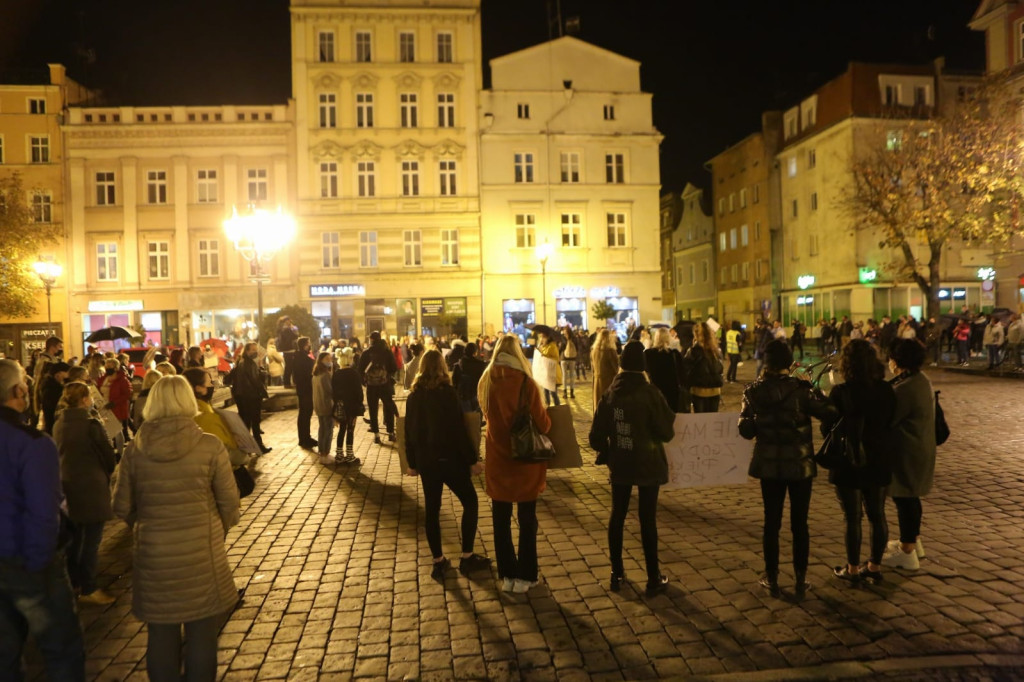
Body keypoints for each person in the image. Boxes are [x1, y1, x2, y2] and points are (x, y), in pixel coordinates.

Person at [112, 375, 240, 682]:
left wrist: (146, 524)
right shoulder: (209, 446)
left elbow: (121, 506)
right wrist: (215, 527)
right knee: (202, 632)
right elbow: (230, 503)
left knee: (160, 632)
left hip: (154, 556)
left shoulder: (134, 451)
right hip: (201, 552)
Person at [0, 360, 86, 681]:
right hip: (27, 559)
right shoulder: (33, 444)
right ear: (19, 391)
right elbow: (43, 512)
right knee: (61, 650)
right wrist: (39, 565)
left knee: (5, 655)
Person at [738, 340, 832, 598]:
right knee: (800, 523)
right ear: (789, 363)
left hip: (769, 467)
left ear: (766, 363)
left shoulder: (753, 391)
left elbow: (745, 431)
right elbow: (829, 412)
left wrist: (757, 418)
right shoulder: (801, 391)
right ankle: (800, 579)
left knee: (772, 522)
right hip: (800, 465)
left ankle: (772, 577)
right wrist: (815, 389)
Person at [589, 341, 676, 597]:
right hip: (649, 462)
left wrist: (609, 449)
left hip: (621, 462)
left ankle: (616, 573)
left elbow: (595, 437)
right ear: (643, 366)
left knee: (618, 515)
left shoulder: (610, 394)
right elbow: (667, 432)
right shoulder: (651, 394)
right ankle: (653, 577)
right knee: (647, 519)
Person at [405, 350, 491, 580]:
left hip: (427, 461)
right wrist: (472, 460)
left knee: (432, 510)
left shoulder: (414, 396)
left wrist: (412, 462)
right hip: (450, 459)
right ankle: (467, 556)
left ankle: (438, 561)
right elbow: (458, 430)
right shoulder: (447, 393)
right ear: (442, 367)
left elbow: (409, 431)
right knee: (470, 502)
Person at [478, 334, 552, 593]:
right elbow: (543, 424)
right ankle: (526, 576)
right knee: (527, 519)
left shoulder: (486, 381)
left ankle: (507, 575)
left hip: (498, 458)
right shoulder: (525, 382)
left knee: (500, 520)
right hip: (524, 461)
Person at [821, 340, 896, 585]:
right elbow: (892, 422)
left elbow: (827, 429)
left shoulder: (841, 392)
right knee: (877, 514)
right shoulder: (886, 390)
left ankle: (852, 569)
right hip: (879, 458)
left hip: (848, 461)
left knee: (852, 517)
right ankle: (874, 566)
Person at [52, 381, 118, 605]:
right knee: (91, 540)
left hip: (68, 486)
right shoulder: (91, 425)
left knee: (75, 538)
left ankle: (75, 583)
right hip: (91, 487)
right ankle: (89, 587)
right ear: (84, 400)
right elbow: (108, 456)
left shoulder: (59, 424)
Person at [882, 339, 936, 571]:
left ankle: (907, 551)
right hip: (919, 446)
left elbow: (888, 418)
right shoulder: (920, 379)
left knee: (904, 498)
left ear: (897, 361)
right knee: (910, 497)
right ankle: (914, 541)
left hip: (907, 450)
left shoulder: (905, 389)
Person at [357, 331, 398, 444]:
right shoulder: (387, 351)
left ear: (371, 340)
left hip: (371, 386)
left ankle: (376, 435)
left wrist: (364, 381)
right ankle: (391, 433)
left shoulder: (366, 353)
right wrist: (387, 376)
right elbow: (394, 367)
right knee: (388, 408)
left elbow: (360, 369)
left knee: (373, 409)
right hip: (385, 384)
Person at [230, 342, 271, 454]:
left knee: (246, 422)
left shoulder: (242, 362)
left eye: (256, 349)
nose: (255, 352)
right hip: (252, 396)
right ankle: (258, 446)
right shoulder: (249, 364)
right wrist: (262, 371)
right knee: (255, 422)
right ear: (247, 351)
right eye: (253, 350)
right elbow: (256, 380)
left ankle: (247, 447)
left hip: (243, 396)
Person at [681, 322, 724, 413]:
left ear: (696, 335)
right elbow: (720, 369)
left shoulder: (693, 351)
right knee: (713, 418)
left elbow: (685, 370)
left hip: (699, 391)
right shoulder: (716, 351)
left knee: (701, 419)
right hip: (715, 390)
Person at [331, 348, 363, 464]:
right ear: (349, 359)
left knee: (342, 429)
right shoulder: (353, 374)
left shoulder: (336, 374)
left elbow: (333, 392)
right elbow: (358, 392)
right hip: (352, 406)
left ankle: (339, 455)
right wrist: (360, 404)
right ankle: (350, 455)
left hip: (340, 406)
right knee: (350, 429)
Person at [643, 327, 683, 412]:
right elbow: (681, 373)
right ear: (668, 338)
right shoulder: (674, 354)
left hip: (655, 391)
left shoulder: (648, 354)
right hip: (672, 392)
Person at [98, 357, 132, 442]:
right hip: (104, 406)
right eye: (106, 366)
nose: (107, 368)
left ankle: (119, 446)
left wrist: (114, 403)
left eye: (110, 366)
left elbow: (127, 394)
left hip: (117, 407)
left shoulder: (122, 380)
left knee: (117, 431)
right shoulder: (103, 379)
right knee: (107, 431)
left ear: (116, 368)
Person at [452, 342, 486, 414]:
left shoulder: (458, 366)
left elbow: (454, 382)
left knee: (467, 417)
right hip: (477, 394)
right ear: (475, 352)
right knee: (477, 416)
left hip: (463, 395)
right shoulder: (481, 365)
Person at [591, 329, 620, 413]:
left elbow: (592, 367)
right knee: (608, 404)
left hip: (597, 381)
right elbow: (616, 368)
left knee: (598, 402)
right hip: (608, 381)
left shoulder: (594, 350)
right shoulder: (610, 351)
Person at [312, 352, 335, 459]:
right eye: (327, 359)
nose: (329, 361)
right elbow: (330, 391)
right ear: (321, 360)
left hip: (318, 405)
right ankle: (325, 452)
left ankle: (321, 450)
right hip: (326, 406)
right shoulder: (325, 375)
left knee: (322, 428)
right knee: (328, 429)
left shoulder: (315, 374)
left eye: (330, 359)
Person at [39, 361, 70, 434]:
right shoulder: (52, 388)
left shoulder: (50, 385)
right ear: (58, 374)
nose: (67, 376)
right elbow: (53, 406)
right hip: (53, 424)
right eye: (66, 373)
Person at [533, 331, 562, 407]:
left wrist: (541, 352)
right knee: (545, 392)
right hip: (546, 372)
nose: (542, 339)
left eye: (543, 337)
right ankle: (547, 406)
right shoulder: (544, 346)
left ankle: (558, 407)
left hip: (552, 373)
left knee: (553, 393)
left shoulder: (552, 346)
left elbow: (551, 357)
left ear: (548, 338)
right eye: (541, 337)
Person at [277, 316, 299, 388]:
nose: (290, 322)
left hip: (286, 350)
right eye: (289, 321)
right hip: (289, 349)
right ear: (286, 321)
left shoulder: (281, 329)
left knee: (289, 366)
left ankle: (287, 383)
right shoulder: (286, 329)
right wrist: (294, 329)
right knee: (290, 367)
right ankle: (287, 383)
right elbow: (295, 336)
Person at [561, 327, 578, 399]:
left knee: (564, 376)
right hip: (572, 358)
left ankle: (565, 393)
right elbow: (577, 348)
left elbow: (561, 348)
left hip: (563, 358)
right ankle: (572, 393)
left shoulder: (562, 338)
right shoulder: (574, 338)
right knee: (572, 376)